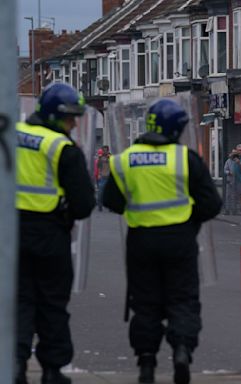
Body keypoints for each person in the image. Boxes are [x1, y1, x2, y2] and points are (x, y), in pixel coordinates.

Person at [102, 98, 222, 384]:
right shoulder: (185, 159)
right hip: (180, 240)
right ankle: (181, 350)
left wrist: (137, 204)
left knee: (145, 304)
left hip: (141, 241)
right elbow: (212, 204)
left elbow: (111, 201)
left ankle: (146, 362)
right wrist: (190, 219)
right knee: (183, 300)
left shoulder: (124, 160)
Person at [15, 83, 95, 384]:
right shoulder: (62, 148)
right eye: (69, 118)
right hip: (50, 234)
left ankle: (14, 365)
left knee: (18, 303)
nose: (74, 124)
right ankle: (51, 370)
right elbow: (85, 204)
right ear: (53, 116)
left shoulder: (11, 136)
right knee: (51, 304)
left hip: (11, 235)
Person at [223, 149, 238, 215]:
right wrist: (229, 172)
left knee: (234, 196)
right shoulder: (228, 161)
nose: (233, 155)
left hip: (236, 181)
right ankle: (227, 210)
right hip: (229, 180)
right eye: (233, 153)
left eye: (235, 153)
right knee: (228, 196)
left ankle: (234, 210)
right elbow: (225, 170)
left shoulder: (237, 161)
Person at [96, 145, 111, 211]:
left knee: (111, 193)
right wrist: (99, 159)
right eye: (103, 150)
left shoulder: (110, 156)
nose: (104, 151)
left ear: (108, 150)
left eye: (106, 150)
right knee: (100, 192)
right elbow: (98, 166)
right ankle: (100, 205)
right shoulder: (100, 157)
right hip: (103, 176)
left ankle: (111, 206)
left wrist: (109, 158)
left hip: (110, 177)